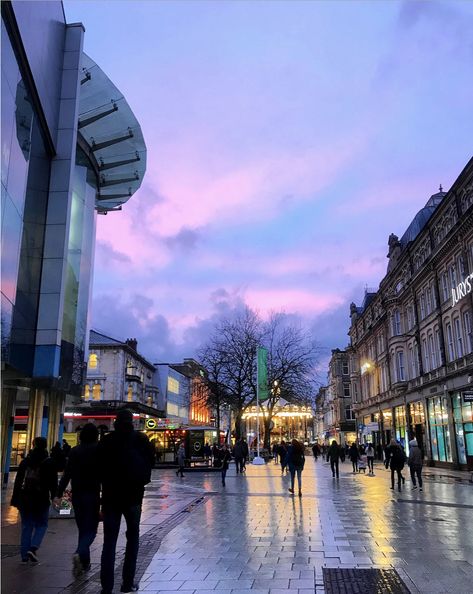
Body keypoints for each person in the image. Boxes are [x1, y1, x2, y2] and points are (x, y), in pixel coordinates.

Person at [97, 409, 155, 594]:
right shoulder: (141, 439)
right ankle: (127, 583)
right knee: (133, 539)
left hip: (111, 496)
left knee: (109, 542)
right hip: (134, 496)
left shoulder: (107, 440)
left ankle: (106, 587)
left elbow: (99, 467)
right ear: (132, 421)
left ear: (115, 421)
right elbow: (150, 463)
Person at [54, 423, 100, 578]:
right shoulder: (98, 450)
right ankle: (80, 553)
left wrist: (58, 493)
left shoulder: (74, 451)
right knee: (92, 530)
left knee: (82, 528)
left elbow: (67, 474)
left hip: (77, 495)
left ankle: (85, 563)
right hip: (92, 494)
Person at [11, 437, 57, 564]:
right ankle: (33, 547)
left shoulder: (25, 461)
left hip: (25, 498)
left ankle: (24, 556)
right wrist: (54, 496)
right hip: (41, 498)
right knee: (42, 524)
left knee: (26, 526)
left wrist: (15, 499)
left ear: (33, 445)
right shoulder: (49, 462)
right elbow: (53, 483)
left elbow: (18, 481)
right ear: (46, 446)